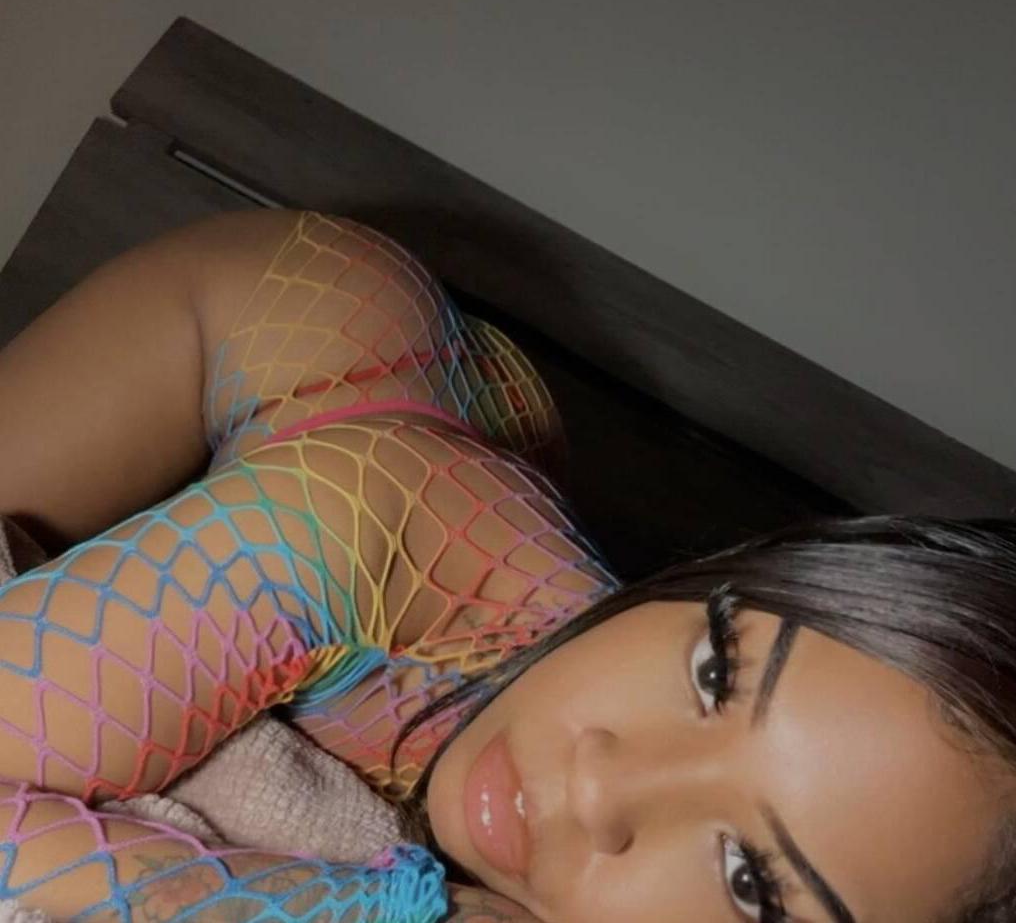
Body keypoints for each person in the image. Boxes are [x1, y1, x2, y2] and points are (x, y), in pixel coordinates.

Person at [0, 210, 1013, 922]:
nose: (603, 781)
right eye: (717, 669)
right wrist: (370, 908)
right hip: (308, 336)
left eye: (751, 881)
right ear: (721, 573)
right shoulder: (370, 523)